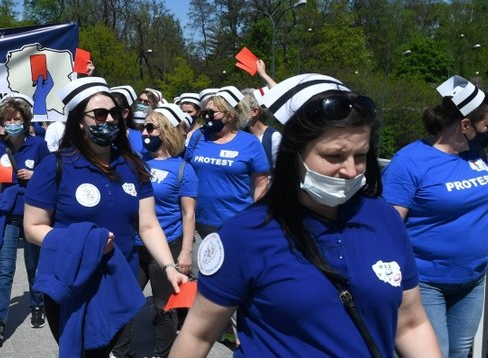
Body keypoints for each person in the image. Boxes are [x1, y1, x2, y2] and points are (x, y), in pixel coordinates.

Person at [171, 73, 441, 357]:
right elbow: (198, 335)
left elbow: (410, 324)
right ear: (294, 154)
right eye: (333, 157)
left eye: (360, 156)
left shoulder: (385, 220)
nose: (350, 170)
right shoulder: (245, 235)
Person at [24, 77, 187, 357]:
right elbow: (33, 227)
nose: (109, 119)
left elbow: (147, 225)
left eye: (114, 113)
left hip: (118, 279)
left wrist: (169, 268)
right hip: (71, 278)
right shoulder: (55, 165)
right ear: (79, 121)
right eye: (100, 113)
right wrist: (87, 242)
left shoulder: (134, 165)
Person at [382, 75, 488, 357]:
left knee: (460, 350)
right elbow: (388, 229)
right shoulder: (410, 162)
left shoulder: (479, 157)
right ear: (465, 125)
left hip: (473, 279)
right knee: (433, 352)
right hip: (425, 282)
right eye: (487, 125)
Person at [113, 103, 198, 358]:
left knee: (163, 307)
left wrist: (184, 254)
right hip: (134, 244)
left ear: (167, 131)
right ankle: (120, 352)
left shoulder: (183, 169)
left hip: (167, 245)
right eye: (143, 127)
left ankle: (162, 354)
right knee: (125, 300)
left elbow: (188, 214)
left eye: (150, 127)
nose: (145, 132)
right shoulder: (136, 163)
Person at [0, 93, 50, 341]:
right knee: (5, 269)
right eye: (8, 119)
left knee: (34, 266)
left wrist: (35, 175)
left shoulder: (38, 145)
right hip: (8, 216)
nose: (12, 123)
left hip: (33, 215)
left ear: (25, 120)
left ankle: (37, 305)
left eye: (16, 118)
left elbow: (52, 177)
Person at [185, 86, 269, 238]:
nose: (207, 117)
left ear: (230, 115)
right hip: (197, 223)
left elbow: (261, 183)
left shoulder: (250, 142)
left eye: (212, 113)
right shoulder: (198, 136)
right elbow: (187, 174)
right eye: (205, 113)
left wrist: (256, 218)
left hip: (236, 222)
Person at [242, 59, 280, 170]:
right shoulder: (238, 134)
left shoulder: (273, 138)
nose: (236, 113)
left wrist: (263, 75)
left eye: (241, 109)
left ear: (255, 111)